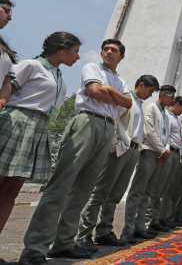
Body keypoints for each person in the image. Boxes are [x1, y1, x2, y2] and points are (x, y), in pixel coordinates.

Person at [19, 39, 130, 264]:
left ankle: (64, 243)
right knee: (61, 184)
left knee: (84, 189)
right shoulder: (91, 68)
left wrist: (109, 91)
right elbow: (95, 92)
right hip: (86, 122)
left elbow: (127, 103)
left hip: (108, 128)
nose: (109, 52)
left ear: (121, 57)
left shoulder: (120, 80)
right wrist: (110, 95)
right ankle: (35, 248)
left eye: (114, 50)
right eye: (106, 49)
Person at [0, 32, 81, 235]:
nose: (78, 57)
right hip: (19, 122)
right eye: (75, 52)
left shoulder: (59, 75)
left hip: (39, 127)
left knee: (12, 188)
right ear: (62, 51)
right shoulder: (31, 65)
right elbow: (7, 85)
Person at [77, 75, 159, 248]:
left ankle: (104, 230)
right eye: (150, 91)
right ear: (141, 85)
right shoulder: (126, 99)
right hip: (121, 148)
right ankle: (84, 233)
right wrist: (116, 143)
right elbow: (113, 119)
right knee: (100, 191)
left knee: (115, 194)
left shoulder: (139, 104)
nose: (150, 95)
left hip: (134, 150)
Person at [121, 85, 176, 243]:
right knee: (137, 191)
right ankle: (128, 229)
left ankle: (140, 227)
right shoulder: (151, 107)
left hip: (159, 154)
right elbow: (149, 130)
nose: (172, 101)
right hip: (148, 151)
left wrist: (164, 150)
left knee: (148, 193)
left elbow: (164, 135)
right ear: (164, 95)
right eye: (171, 97)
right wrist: (161, 149)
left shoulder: (164, 113)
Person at [160, 96, 182, 228]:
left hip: (176, 154)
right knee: (164, 189)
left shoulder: (175, 118)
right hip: (169, 152)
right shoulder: (166, 115)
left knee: (171, 189)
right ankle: (159, 218)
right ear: (177, 104)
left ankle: (166, 217)